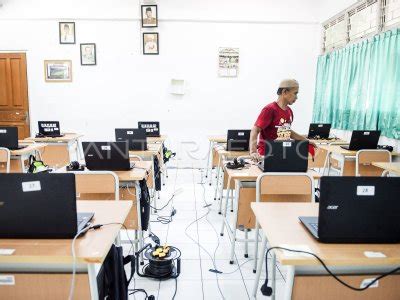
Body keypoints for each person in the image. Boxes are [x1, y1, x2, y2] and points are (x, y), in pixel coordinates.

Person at [249, 79, 316, 161]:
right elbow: (255, 130)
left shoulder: (289, 111)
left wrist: (306, 141)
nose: (296, 97)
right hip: (266, 155)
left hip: (282, 154)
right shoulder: (270, 109)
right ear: (284, 92)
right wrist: (253, 152)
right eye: (295, 93)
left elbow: (288, 132)